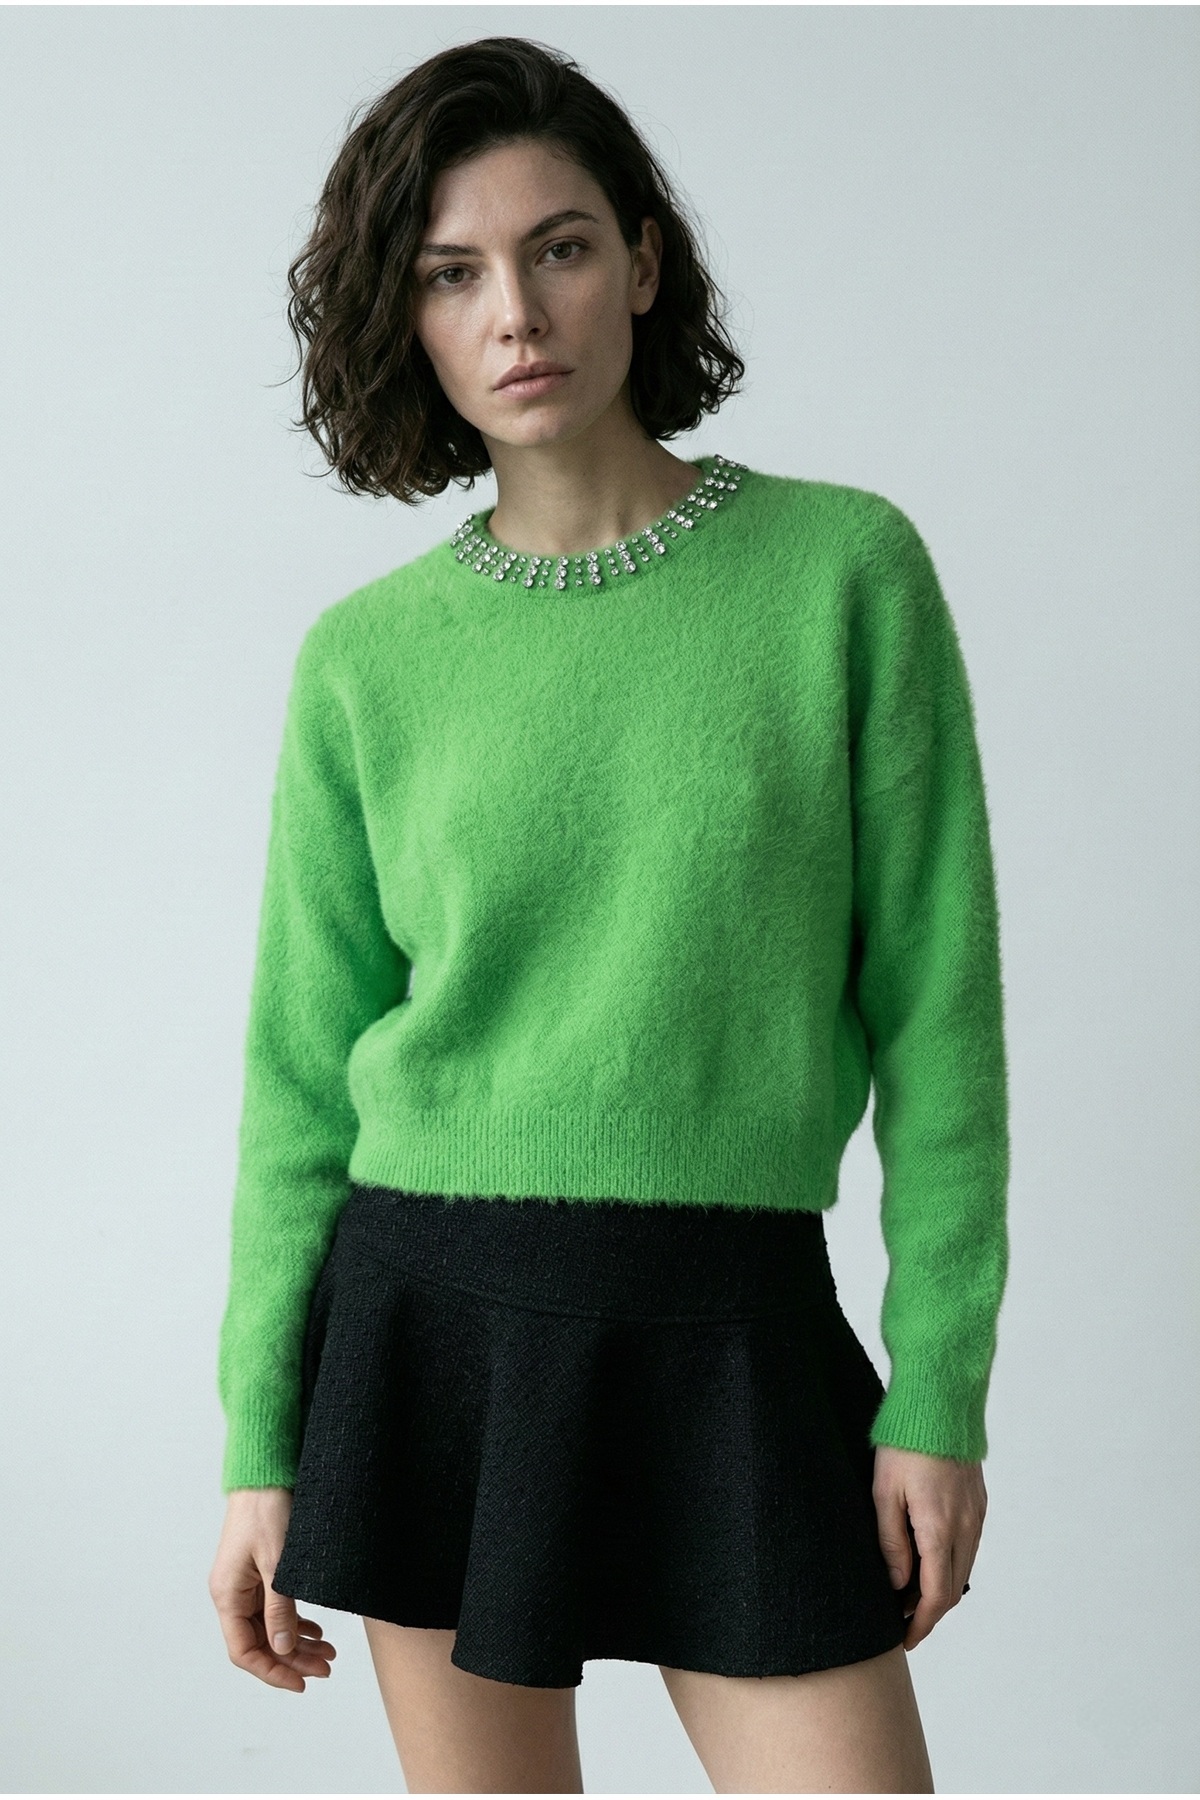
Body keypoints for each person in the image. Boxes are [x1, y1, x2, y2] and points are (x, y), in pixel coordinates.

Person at [207, 34, 1008, 1796]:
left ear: (642, 261)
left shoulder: (843, 573)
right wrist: (261, 1445)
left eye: (558, 248)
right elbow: (299, 1085)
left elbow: (941, 1020)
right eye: (451, 274)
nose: (516, 314)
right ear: (406, 319)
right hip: (429, 1332)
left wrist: (937, 1395)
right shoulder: (366, 661)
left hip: (734, 1330)